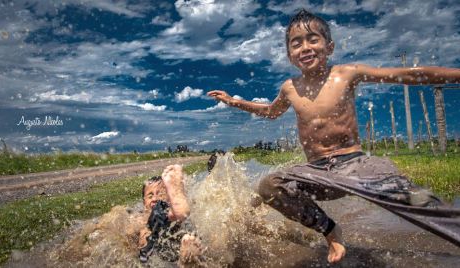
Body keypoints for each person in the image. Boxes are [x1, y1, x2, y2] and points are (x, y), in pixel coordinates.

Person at [207, 9, 460, 264]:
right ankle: (329, 229)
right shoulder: (289, 88)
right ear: (290, 55)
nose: (305, 47)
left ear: (329, 47)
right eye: (297, 43)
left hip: (355, 164)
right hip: (316, 172)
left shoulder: (346, 73)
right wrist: (233, 101)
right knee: (269, 186)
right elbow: (270, 112)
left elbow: (407, 75)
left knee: (410, 196)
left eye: (313, 39)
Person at [138, 164, 204, 267]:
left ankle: (188, 256)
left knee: (188, 240)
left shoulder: (165, 209)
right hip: (157, 241)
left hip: (174, 237)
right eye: (150, 196)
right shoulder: (140, 219)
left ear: (168, 196)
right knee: (145, 234)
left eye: (160, 194)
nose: (155, 199)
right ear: (144, 202)